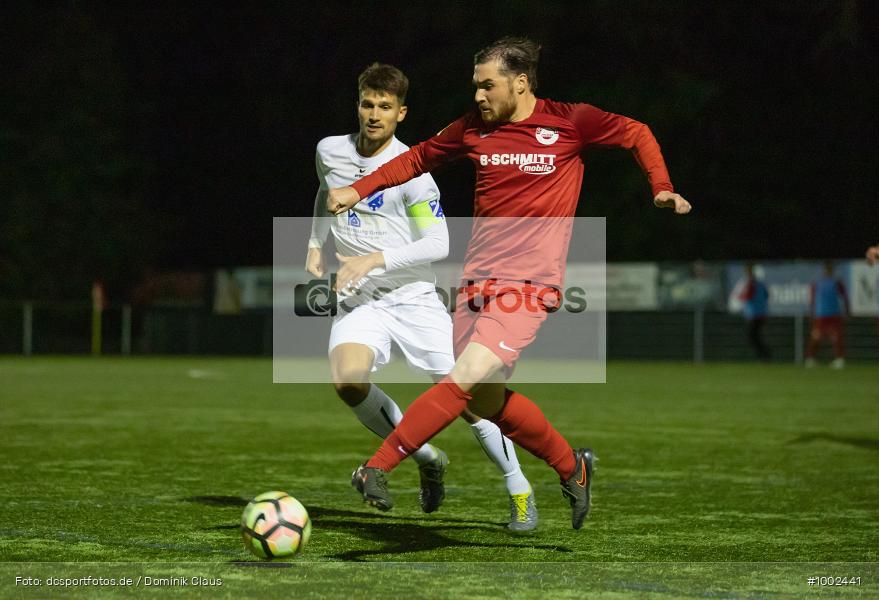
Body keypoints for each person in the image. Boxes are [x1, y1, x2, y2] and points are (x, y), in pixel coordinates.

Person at [329, 38, 691, 530]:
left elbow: (636, 132)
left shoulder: (569, 121)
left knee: (463, 379)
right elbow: (415, 159)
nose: (478, 95)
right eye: (475, 85)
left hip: (529, 284)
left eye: (487, 85)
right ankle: (572, 466)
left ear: (520, 83)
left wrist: (661, 186)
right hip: (476, 283)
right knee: (484, 400)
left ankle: (377, 467)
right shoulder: (473, 130)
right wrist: (358, 188)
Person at [307, 63, 538, 531]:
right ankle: (427, 456)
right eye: (368, 104)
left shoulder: (413, 172)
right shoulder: (329, 150)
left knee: (472, 398)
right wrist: (315, 242)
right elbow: (326, 193)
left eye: (385, 107)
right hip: (360, 299)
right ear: (358, 104)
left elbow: (438, 245)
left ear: (401, 113)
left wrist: (372, 259)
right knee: (347, 381)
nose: (374, 114)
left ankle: (519, 489)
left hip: (413, 298)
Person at [805, 261, 849, 369]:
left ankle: (839, 359)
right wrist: (812, 313)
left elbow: (844, 297)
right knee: (816, 337)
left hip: (834, 314)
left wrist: (847, 310)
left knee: (837, 337)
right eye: (826, 269)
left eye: (829, 269)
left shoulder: (836, 283)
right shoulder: (817, 283)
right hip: (821, 315)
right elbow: (812, 300)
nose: (828, 271)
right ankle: (810, 358)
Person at [739, 263, 771, 360]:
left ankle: (765, 354)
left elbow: (747, 296)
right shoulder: (760, 284)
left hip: (754, 314)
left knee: (751, 337)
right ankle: (765, 355)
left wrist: (741, 296)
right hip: (761, 314)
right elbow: (767, 295)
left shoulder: (751, 284)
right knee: (755, 336)